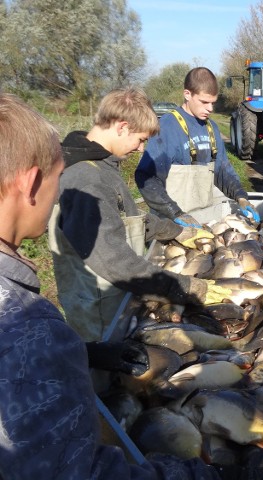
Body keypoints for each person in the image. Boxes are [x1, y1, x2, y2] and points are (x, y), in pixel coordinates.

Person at [0, 92, 230, 479]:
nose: (59, 191)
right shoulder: (28, 326)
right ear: (32, 182)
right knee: (107, 404)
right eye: (55, 181)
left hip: (111, 318)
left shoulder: (102, 170)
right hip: (96, 307)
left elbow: (133, 220)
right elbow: (111, 258)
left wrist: (87, 353)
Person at [49, 87, 231, 342]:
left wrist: (178, 232)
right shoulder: (85, 179)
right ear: (122, 127)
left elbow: (127, 219)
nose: (141, 148)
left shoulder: (102, 166)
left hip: (118, 299)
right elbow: (114, 261)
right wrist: (184, 288)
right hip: (98, 312)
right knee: (104, 378)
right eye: (141, 139)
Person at [135, 66, 259, 227]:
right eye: (204, 102)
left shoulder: (211, 128)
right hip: (171, 221)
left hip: (203, 218)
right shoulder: (166, 127)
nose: (210, 108)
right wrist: (175, 213)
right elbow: (146, 177)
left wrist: (241, 197)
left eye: (213, 103)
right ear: (187, 94)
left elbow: (222, 169)